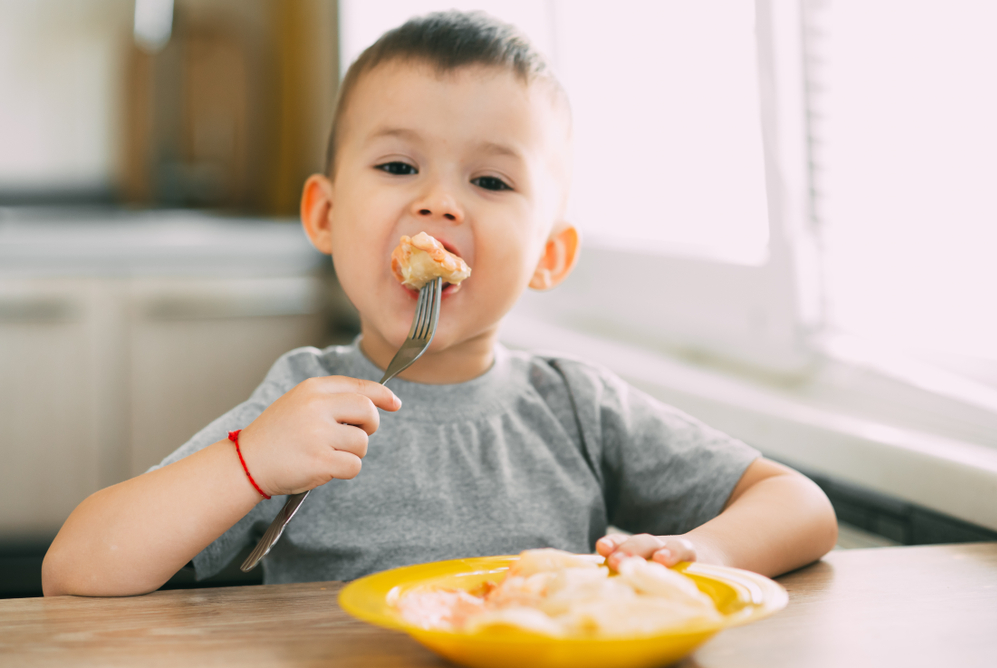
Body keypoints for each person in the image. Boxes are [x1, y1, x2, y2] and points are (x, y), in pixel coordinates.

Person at [42, 11, 837, 597]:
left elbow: (799, 504)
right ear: (324, 215)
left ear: (549, 256)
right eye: (398, 166)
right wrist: (250, 462)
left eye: (489, 180)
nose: (439, 204)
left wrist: (708, 555)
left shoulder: (575, 409)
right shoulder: (300, 403)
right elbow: (75, 569)